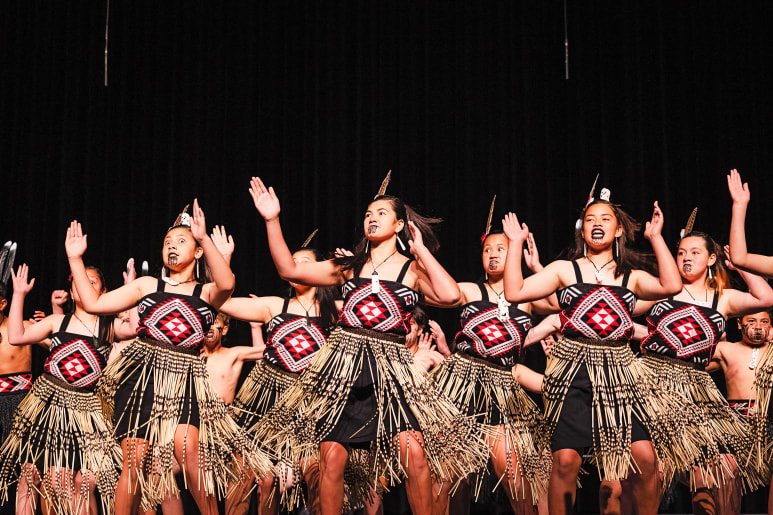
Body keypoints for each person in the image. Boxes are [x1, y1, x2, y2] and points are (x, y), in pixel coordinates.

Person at [248, 176, 488, 515]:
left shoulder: (411, 269)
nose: (371, 218)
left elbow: (450, 295)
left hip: (391, 368)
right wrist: (272, 220)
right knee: (332, 457)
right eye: (367, 214)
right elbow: (290, 270)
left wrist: (421, 252)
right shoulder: (350, 267)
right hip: (344, 364)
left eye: (380, 213)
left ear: (399, 224)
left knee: (413, 453)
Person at [502, 191, 706, 514]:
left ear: (619, 231)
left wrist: (655, 237)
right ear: (582, 230)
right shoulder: (564, 271)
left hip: (621, 372)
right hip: (573, 370)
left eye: (606, 219)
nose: (597, 224)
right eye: (591, 220)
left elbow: (671, 285)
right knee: (566, 461)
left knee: (645, 457)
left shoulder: (631, 277)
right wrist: (514, 244)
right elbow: (514, 291)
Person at [66, 201, 271, 515]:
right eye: (167, 242)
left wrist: (204, 238)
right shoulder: (148, 285)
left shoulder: (206, 292)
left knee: (189, 454)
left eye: (181, 241)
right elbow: (94, 303)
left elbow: (228, 283)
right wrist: (75, 258)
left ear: (198, 251)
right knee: (134, 460)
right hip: (141, 374)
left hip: (185, 376)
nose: (172, 246)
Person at [429, 199, 552, 513]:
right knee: (449, 477)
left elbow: (560, 302)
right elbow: (437, 290)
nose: (494, 254)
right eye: (488, 250)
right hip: (460, 383)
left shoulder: (526, 297)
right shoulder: (470, 290)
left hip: (503, 386)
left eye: (502, 248)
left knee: (515, 476)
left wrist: (536, 266)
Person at [0, 264, 133, 515]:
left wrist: (130, 296)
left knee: (62, 482)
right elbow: (16, 336)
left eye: (91, 281)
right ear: (72, 291)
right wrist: (18, 294)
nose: (85, 284)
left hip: (81, 413)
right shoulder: (58, 321)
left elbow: (136, 327)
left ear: (103, 291)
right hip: (45, 405)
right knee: (28, 478)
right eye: (80, 280)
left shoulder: (109, 328)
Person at [710, 310, 773, 514]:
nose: (758, 326)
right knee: (727, 481)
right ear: (739, 324)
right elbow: (694, 363)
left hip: (767, 423)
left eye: (764, 322)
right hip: (734, 425)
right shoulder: (726, 349)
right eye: (751, 321)